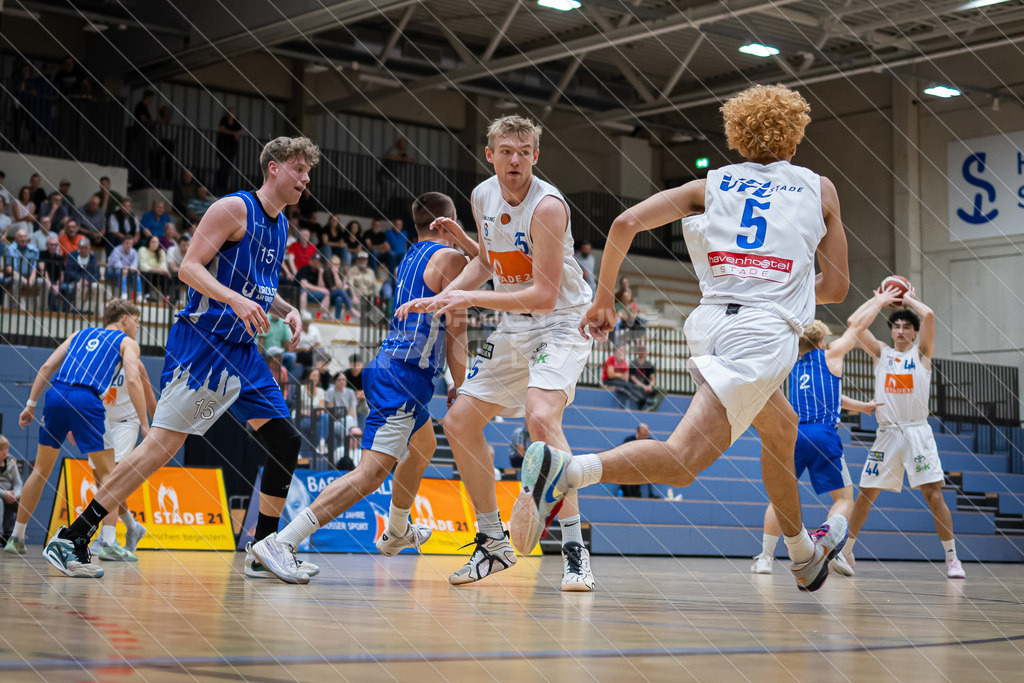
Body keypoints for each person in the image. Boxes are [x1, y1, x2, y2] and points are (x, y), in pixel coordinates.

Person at [512, 84, 851, 594]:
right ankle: (568, 470)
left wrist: (603, 300)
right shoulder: (819, 189)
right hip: (760, 335)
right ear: (795, 136)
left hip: (709, 323)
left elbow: (624, 223)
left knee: (782, 429)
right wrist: (786, 286)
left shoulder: (711, 184)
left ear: (737, 136)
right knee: (683, 462)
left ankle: (803, 554)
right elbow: (837, 287)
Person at [42, 136, 322, 583]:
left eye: (309, 171)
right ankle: (73, 536)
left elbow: (258, 290)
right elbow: (189, 267)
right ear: (273, 167)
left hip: (242, 352)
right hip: (204, 346)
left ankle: (265, 548)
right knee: (158, 450)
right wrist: (234, 300)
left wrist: (286, 310)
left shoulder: (281, 224)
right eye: (299, 169)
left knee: (285, 441)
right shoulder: (234, 208)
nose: (306, 179)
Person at [396, 115, 596, 591]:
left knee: (541, 417)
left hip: (561, 322)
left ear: (536, 156)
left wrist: (468, 298)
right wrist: (446, 297)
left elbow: (544, 296)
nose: (515, 160)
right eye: (506, 151)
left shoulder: (548, 207)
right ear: (490, 155)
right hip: (514, 324)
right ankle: (492, 542)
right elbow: (487, 262)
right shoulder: (482, 195)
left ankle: (575, 551)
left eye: (524, 152)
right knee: (459, 423)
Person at [253, 192, 472, 582]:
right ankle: (282, 542)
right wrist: (461, 383)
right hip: (403, 377)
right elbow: (457, 330)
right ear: (447, 222)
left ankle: (397, 529)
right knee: (370, 475)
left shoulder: (411, 257)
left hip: (395, 369)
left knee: (423, 446)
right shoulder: (452, 259)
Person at [6, 300, 148, 561]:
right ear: (125, 319)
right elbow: (132, 379)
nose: (138, 327)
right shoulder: (127, 342)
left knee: (40, 470)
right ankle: (108, 542)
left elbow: (47, 367)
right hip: (86, 400)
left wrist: (30, 404)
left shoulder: (79, 334)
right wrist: (145, 424)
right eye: (137, 321)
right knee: (109, 476)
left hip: (55, 395)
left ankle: (17, 537)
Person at [843, 285, 966, 579]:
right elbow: (853, 324)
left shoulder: (922, 354)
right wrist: (879, 300)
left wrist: (909, 300)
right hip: (887, 433)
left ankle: (952, 559)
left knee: (934, 495)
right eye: (896, 326)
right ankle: (846, 551)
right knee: (865, 496)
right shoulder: (881, 353)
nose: (900, 331)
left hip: (917, 432)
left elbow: (930, 315)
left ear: (914, 333)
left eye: (906, 327)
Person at [751, 320, 880, 576]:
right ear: (822, 341)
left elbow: (832, 397)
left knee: (779, 499)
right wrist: (879, 301)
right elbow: (856, 328)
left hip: (796, 434)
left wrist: (861, 406)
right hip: (823, 434)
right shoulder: (830, 355)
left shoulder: (793, 364)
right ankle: (830, 548)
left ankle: (765, 558)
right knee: (844, 498)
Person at [90, 355, 158, 561]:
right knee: (101, 481)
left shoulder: (135, 364)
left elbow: (148, 394)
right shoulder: (100, 358)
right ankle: (132, 526)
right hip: (101, 422)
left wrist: (154, 427)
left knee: (112, 478)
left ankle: (106, 538)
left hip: (126, 423)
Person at [325, 373, 361, 465]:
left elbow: (352, 411)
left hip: (348, 421)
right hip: (334, 421)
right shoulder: (331, 391)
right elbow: (330, 412)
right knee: (348, 420)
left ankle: (347, 443)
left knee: (349, 419)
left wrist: (352, 425)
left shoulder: (350, 392)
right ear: (335, 382)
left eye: (344, 379)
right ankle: (347, 443)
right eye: (339, 380)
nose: (342, 382)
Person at [619, 424, 660, 498]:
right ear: (637, 433)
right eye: (643, 435)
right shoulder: (629, 441)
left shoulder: (650, 442)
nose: (645, 437)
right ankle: (630, 495)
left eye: (646, 435)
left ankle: (650, 494)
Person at [602, 344, 647, 409]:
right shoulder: (611, 358)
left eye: (623, 350)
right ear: (616, 351)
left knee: (632, 385)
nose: (621, 352)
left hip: (620, 381)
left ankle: (642, 399)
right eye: (620, 350)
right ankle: (641, 400)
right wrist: (620, 375)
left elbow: (626, 378)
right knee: (626, 386)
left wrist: (617, 374)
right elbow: (611, 375)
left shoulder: (624, 362)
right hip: (609, 381)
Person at [62, 237, 101, 313]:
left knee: (97, 287)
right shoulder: (71, 256)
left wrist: (87, 280)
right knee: (80, 286)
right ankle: (78, 310)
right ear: (78, 247)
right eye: (81, 248)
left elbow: (96, 274)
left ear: (89, 248)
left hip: (89, 281)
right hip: (75, 281)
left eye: (85, 248)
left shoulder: (93, 258)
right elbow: (69, 271)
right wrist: (80, 279)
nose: (83, 250)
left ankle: (96, 312)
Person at [630, 345, 667, 412]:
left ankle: (653, 408)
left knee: (662, 391)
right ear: (637, 353)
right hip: (637, 387)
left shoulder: (649, 365)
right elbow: (633, 378)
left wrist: (650, 386)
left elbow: (653, 379)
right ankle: (644, 406)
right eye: (641, 351)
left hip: (647, 387)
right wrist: (644, 386)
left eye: (644, 351)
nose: (642, 353)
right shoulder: (633, 364)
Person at [214, 106, 243, 191]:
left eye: (232, 112)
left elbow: (240, 131)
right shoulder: (224, 119)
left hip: (231, 146)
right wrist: (233, 133)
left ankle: (224, 186)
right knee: (223, 166)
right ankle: (219, 185)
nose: (231, 114)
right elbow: (222, 129)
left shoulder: (236, 121)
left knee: (228, 167)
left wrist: (235, 134)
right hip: (223, 146)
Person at [105, 234, 142, 300]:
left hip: (126, 272)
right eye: (127, 243)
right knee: (123, 271)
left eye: (130, 243)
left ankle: (139, 295)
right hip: (111, 271)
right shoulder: (117, 250)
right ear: (122, 243)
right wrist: (126, 268)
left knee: (137, 273)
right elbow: (117, 264)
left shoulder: (134, 252)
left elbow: (134, 265)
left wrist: (129, 269)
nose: (129, 245)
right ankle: (124, 293)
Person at [138, 235, 170, 300]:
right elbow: (143, 267)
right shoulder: (143, 250)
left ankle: (166, 297)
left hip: (156, 276)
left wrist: (157, 270)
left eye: (156, 242)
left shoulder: (161, 252)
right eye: (153, 242)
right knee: (146, 274)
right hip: (145, 275)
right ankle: (147, 296)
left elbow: (163, 267)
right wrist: (158, 270)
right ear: (148, 242)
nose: (155, 244)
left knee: (166, 277)